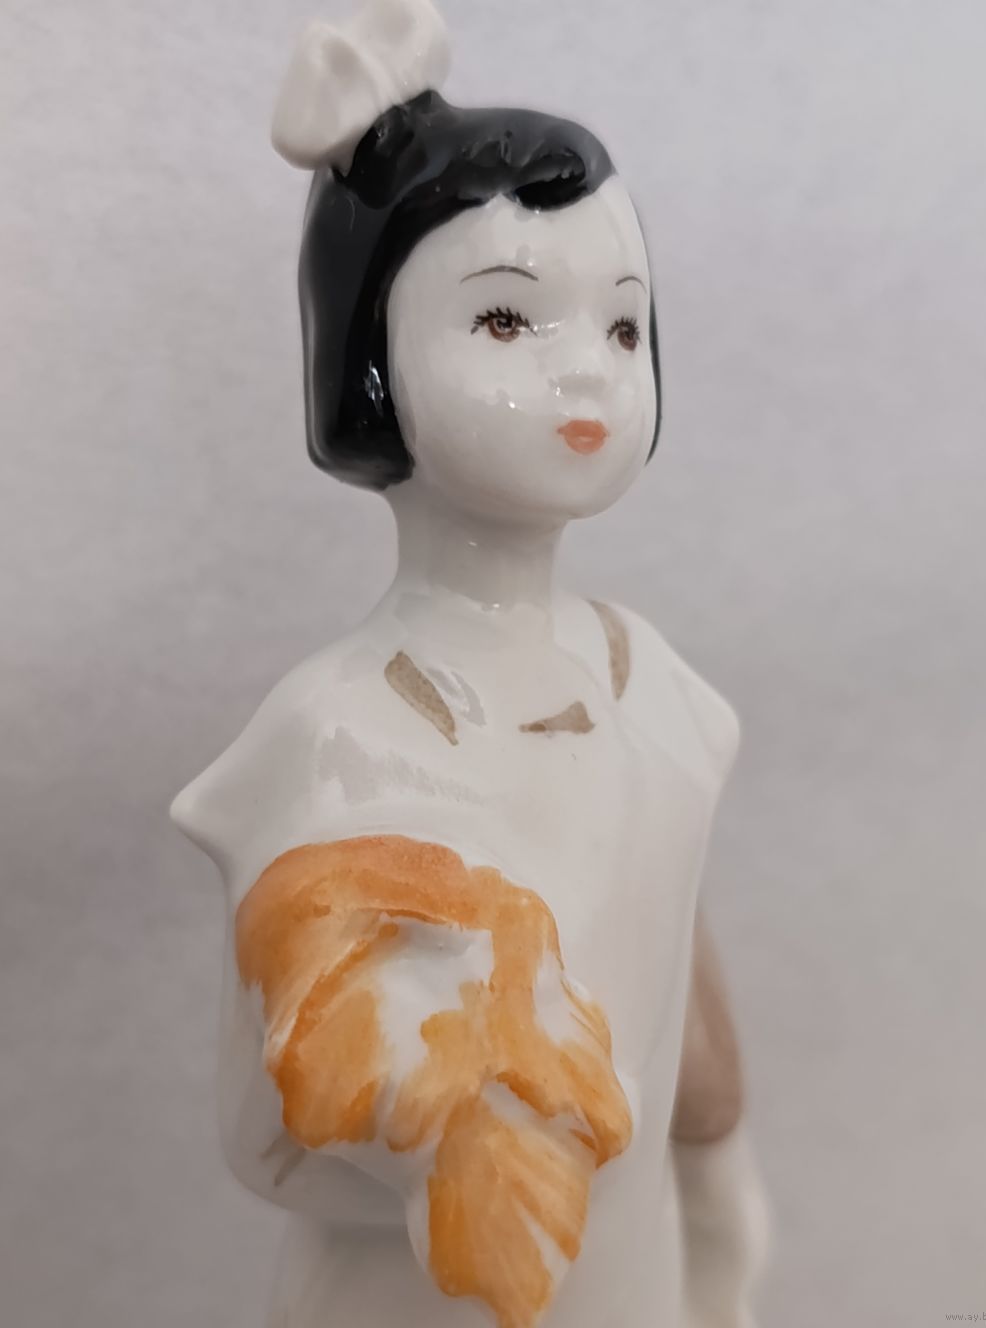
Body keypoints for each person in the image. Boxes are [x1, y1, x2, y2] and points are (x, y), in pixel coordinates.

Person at [171, 2, 768, 1325]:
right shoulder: (340, 729)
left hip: (630, 1286)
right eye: (506, 321)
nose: (586, 374)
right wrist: (447, 1106)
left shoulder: (649, 685)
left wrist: (720, 1165)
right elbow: (258, 1135)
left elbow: (678, 956)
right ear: (371, 361)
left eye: (622, 329)